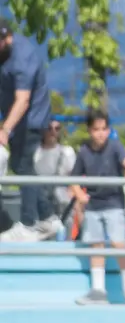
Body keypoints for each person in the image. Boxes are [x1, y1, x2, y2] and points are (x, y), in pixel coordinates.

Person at [70, 109, 125, 305]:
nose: (100, 133)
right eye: (96, 129)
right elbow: (74, 179)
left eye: (104, 129)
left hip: (114, 204)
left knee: (119, 244)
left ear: (108, 130)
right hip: (93, 205)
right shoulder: (84, 151)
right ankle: (98, 290)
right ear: (89, 130)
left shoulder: (115, 146)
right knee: (97, 246)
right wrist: (79, 194)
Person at [0, 17, 61, 242]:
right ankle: (47, 217)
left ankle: (29, 222)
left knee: (24, 166)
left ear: (6, 39)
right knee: (18, 165)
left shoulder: (22, 58)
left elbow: (23, 100)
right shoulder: (4, 54)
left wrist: (5, 129)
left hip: (30, 120)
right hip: (17, 120)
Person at [34, 119, 76, 230]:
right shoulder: (35, 152)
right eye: (49, 128)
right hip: (39, 204)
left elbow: (74, 177)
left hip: (62, 206)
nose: (53, 131)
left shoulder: (67, 152)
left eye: (57, 128)